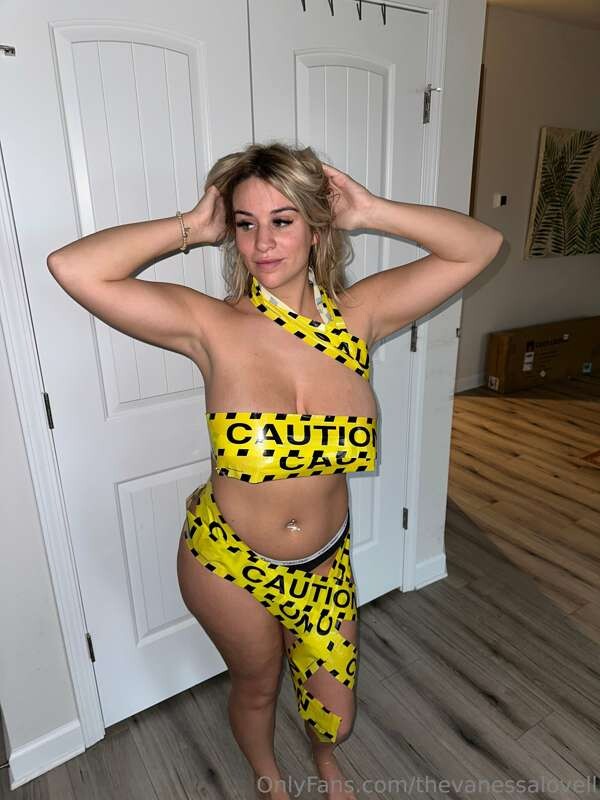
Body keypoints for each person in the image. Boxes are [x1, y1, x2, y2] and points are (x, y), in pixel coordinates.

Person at [47, 141, 503, 800]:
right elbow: (73, 267)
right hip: (228, 561)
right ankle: (269, 778)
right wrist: (190, 227)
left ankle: (324, 757)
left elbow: (480, 246)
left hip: (323, 563)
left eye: (283, 220)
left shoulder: (359, 317)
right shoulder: (211, 325)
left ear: (316, 227)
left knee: (336, 711)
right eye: (246, 223)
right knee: (257, 686)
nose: (262, 242)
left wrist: (371, 211)